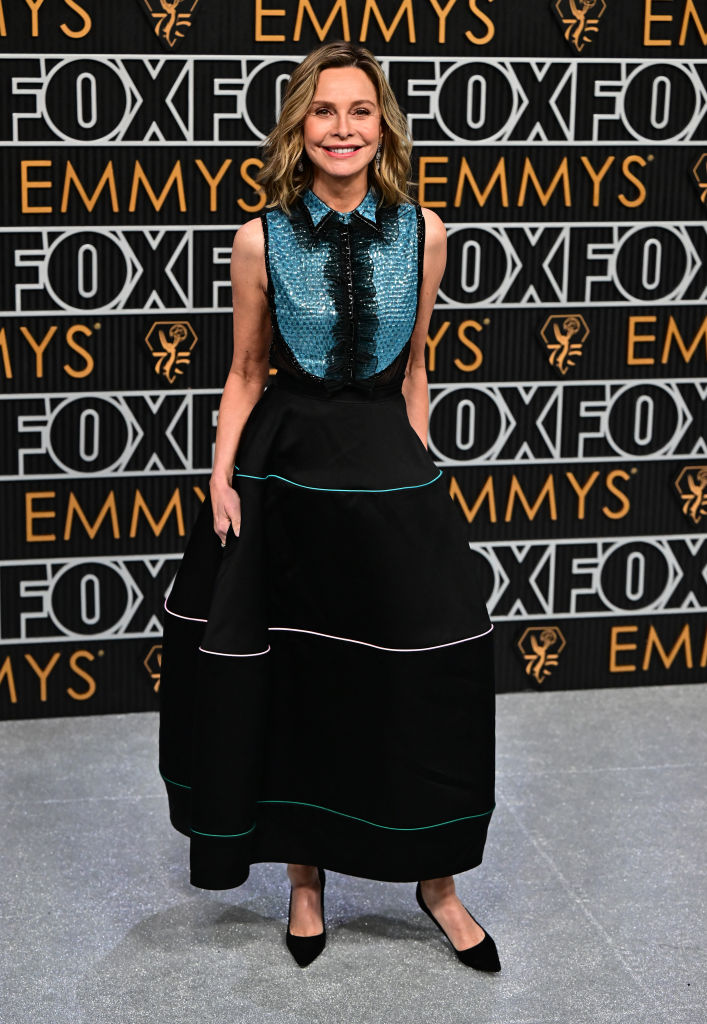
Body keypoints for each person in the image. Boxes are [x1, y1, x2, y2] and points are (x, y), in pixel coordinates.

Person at [158, 40, 500, 972]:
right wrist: (219, 475)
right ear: (298, 128)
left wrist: (420, 463)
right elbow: (243, 372)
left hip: (388, 467)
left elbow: (418, 364)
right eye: (323, 111)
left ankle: (438, 886)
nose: (342, 128)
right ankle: (304, 883)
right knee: (298, 677)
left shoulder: (424, 231)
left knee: (424, 675)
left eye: (358, 111)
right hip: (286, 474)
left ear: (381, 124)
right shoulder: (260, 236)